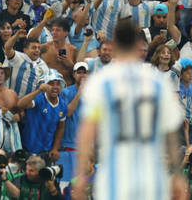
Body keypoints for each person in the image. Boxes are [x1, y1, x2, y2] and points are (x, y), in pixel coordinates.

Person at [72, 20, 184, 200]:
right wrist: (177, 176)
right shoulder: (157, 81)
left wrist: (80, 176)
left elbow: (87, 132)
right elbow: (171, 133)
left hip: (115, 176)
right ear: (139, 45)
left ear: (115, 45)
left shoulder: (101, 82)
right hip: (151, 176)